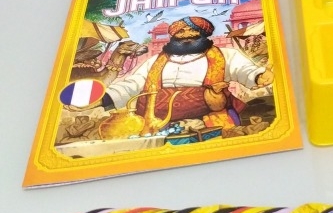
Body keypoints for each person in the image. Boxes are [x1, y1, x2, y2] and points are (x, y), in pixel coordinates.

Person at [102, 16, 273, 130]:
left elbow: (243, 69)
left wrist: (258, 76)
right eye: (180, 32)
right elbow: (135, 82)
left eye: (193, 31)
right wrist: (107, 97)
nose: (186, 35)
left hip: (208, 116)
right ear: (173, 36)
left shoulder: (225, 55)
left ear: (203, 34)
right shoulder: (155, 61)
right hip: (154, 120)